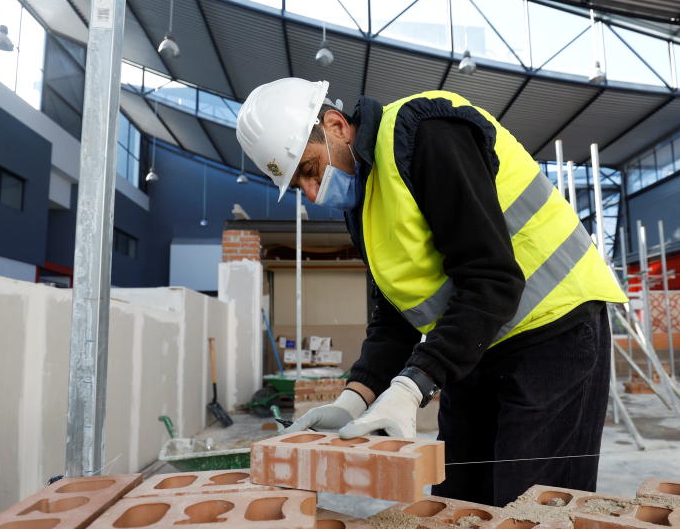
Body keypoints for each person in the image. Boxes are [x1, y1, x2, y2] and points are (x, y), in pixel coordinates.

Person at [236, 78, 627, 506]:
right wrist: (355, 397)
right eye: (299, 187)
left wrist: (410, 387)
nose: (312, 193)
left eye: (310, 170)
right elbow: (394, 316)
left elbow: (492, 279)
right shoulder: (363, 205)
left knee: (531, 514)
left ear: (336, 125)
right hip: (475, 344)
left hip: (554, 332)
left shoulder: (423, 133)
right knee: (459, 502)